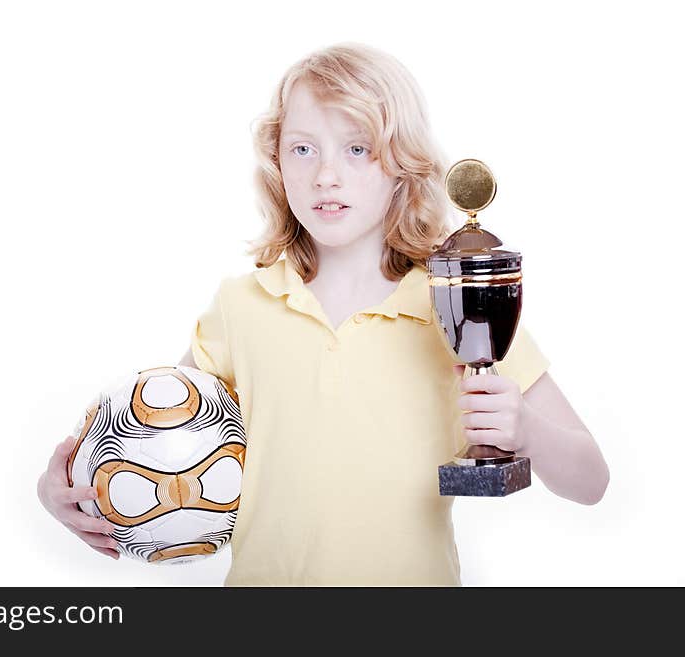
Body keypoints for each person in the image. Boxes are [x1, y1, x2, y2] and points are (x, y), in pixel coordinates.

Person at [37, 42, 609, 585]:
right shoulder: (242, 306)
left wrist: (526, 431)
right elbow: (152, 438)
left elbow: (591, 479)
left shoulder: (456, 305)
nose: (325, 175)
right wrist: (59, 488)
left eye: (357, 148)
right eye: (303, 148)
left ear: (402, 166)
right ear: (277, 163)